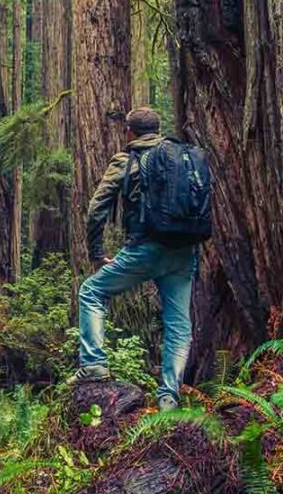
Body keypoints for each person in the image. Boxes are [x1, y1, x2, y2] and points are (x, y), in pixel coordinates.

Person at [66, 107, 197, 411]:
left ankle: (94, 364)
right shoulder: (183, 156)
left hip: (145, 249)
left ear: (129, 131)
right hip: (183, 252)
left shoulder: (128, 160)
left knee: (91, 291)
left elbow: (97, 207)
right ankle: (168, 395)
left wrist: (96, 254)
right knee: (178, 322)